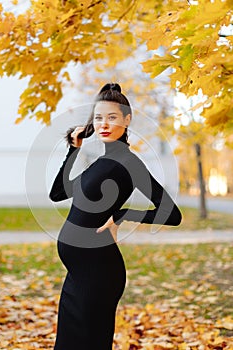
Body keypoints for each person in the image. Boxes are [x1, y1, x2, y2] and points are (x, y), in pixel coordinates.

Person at [49, 83, 182, 350]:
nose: (104, 124)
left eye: (112, 117)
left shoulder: (129, 163)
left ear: (127, 120)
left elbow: (171, 213)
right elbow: (58, 192)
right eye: (98, 118)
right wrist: (73, 149)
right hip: (78, 272)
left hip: (99, 273)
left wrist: (123, 214)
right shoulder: (100, 163)